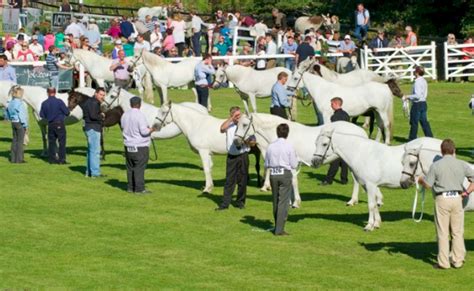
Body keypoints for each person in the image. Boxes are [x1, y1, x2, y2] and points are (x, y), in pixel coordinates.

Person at [417, 139, 474, 269]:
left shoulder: (436, 165)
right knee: (457, 231)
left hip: (442, 199)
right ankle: (458, 260)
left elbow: (428, 185)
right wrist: (468, 192)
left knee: (443, 232)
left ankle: (443, 262)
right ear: (454, 150)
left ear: (442, 151)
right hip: (458, 199)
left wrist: (420, 180)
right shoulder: (461, 164)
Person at [265, 123, 298, 236]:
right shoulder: (289, 146)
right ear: (287, 133)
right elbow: (294, 164)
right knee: (283, 202)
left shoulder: (270, 146)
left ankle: (277, 225)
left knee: (275, 200)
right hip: (284, 173)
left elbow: (267, 163)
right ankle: (279, 229)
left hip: (273, 174)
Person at [216, 106, 250, 210]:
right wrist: (231, 119)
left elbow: (252, 142)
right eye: (237, 115)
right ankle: (225, 203)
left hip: (243, 154)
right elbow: (222, 129)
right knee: (229, 181)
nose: (239, 117)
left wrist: (246, 141)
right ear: (232, 115)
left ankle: (240, 202)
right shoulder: (229, 125)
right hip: (232, 156)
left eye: (240, 115)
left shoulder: (244, 125)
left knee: (242, 180)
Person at [121, 96, 156, 194]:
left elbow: (123, 127)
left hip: (128, 145)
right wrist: (152, 129)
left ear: (130, 104)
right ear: (140, 105)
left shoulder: (125, 115)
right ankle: (139, 189)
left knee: (130, 167)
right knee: (139, 167)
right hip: (140, 146)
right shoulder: (140, 115)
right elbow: (144, 132)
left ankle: (130, 187)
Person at [320, 97, 350, 185]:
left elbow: (334, 129)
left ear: (336, 104)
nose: (331, 105)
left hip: (337, 141)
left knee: (334, 162)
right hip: (346, 140)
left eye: (332, 104)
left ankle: (328, 180)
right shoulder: (346, 115)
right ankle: (344, 179)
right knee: (344, 161)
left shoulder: (334, 116)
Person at [39, 87, 70, 164]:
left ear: (47, 93)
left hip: (50, 124)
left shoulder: (44, 103)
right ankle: (62, 159)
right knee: (62, 142)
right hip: (59, 123)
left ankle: (52, 159)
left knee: (52, 142)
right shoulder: (59, 102)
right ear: (55, 92)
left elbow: (41, 115)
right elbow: (67, 112)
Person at [402, 66, 434, 141]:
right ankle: (430, 137)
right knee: (424, 121)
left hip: (417, 104)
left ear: (417, 73)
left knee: (414, 122)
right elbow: (424, 94)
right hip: (423, 103)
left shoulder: (417, 82)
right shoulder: (424, 81)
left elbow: (417, 96)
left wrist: (407, 96)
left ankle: (412, 138)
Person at [81, 87, 106, 178]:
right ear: (95, 93)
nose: (102, 97)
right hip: (93, 128)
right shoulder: (94, 102)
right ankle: (95, 172)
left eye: (103, 95)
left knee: (91, 151)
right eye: (100, 94)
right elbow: (93, 116)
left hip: (89, 127)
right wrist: (102, 116)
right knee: (95, 151)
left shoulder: (89, 101)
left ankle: (89, 172)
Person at [5, 86, 28, 163]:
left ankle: (13, 158)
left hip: (13, 122)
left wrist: (9, 118)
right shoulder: (19, 103)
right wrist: (25, 125)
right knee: (20, 141)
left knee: (14, 140)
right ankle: (19, 159)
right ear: (19, 94)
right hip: (19, 122)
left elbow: (7, 112)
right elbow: (22, 115)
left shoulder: (11, 102)